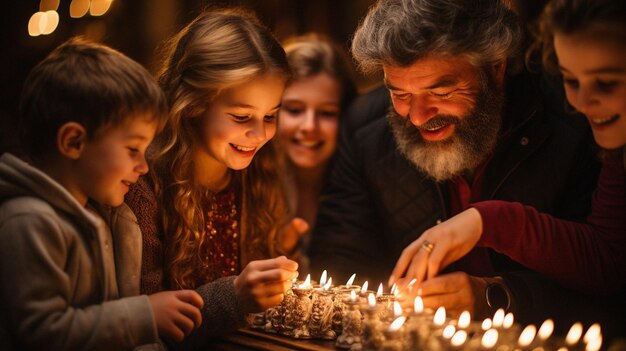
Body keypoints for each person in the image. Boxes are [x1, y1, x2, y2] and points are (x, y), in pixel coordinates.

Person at [308, 0, 600, 324]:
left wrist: (499, 295)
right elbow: (339, 262)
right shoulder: (366, 128)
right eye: (400, 94)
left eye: (441, 92)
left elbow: (607, 282)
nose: (418, 117)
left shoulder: (577, 121)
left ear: (495, 67)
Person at [389, 0, 626, 340]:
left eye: (606, 83)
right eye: (571, 81)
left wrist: (489, 228)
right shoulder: (613, 146)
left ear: (496, 68)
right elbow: (609, 257)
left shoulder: (567, 130)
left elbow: (611, 285)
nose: (582, 104)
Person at [0, 38, 203, 350]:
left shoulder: (103, 215)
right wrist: (144, 316)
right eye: (133, 149)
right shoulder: (29, 222)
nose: (143, 167)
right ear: (73, 142)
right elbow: (42, 333)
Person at [125, 8, 306, 346]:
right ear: (193, 104)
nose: (258, 134)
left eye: (270, 116)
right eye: (241, 116)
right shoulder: (141, 186)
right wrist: (234, 297)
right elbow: (147, 321)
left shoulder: (263, 174)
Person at [278, 34, 357, 274]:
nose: (309, 126)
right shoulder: (248, 182)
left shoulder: (359, 186)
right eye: (294, 110)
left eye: (327, 113)